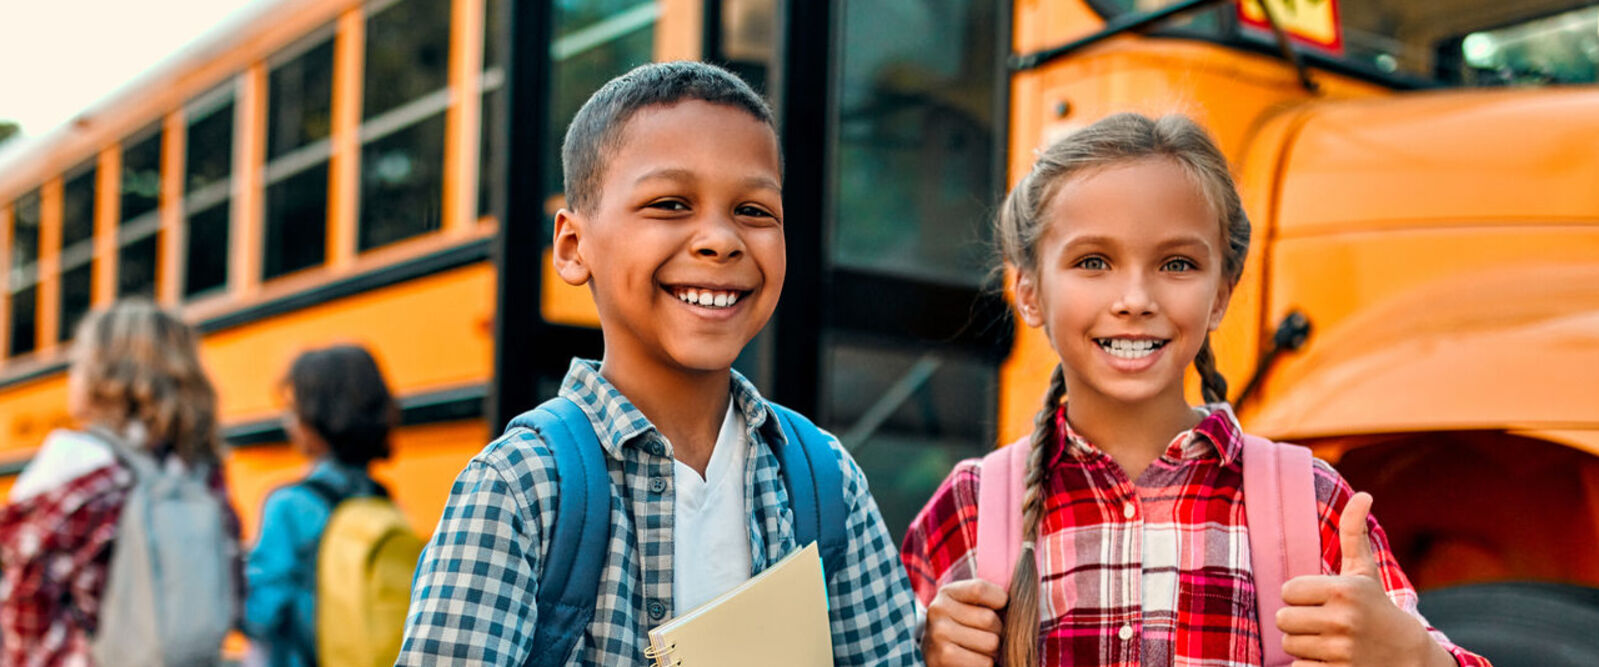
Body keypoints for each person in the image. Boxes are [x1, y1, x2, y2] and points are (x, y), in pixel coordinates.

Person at [900, 113, 1492, 667]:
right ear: (1027, 289)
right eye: (1093, 261)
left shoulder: (1311, 506)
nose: (1135, 298)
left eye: (1177, 264)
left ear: (1222, 293)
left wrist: (1411, 655)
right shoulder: (969, 510)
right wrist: (924, 654)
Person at [397, 61, 920, 665]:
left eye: (754, 211)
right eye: (671, 204)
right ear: (573, 247)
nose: (721, 240)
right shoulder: (522, 489)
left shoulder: (824, 481)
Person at [0, 299, 241, 666]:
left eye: (79, 363)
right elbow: (231, 585)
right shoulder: (202, 474)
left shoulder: (75, 468)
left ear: (104, 377)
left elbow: (25, 599)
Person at [243, 344, 398, 666]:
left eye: (291, 408)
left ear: (311, 419)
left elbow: (262, 615)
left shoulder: (288, 505)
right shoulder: (382, 498)